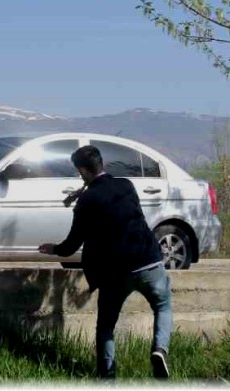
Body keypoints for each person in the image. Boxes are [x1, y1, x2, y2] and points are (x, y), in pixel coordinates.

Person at [39, 145, 173, 380]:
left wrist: (53, 249)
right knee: (162, 306)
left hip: (116, 273)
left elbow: (72, 245)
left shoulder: (86, 202)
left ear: (81, 170)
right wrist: (84, 191)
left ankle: (107, 377)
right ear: (102, 163)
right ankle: (159, 349)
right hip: (149, 260)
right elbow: (112, 199)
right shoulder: (126, 185)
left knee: (106, 327)